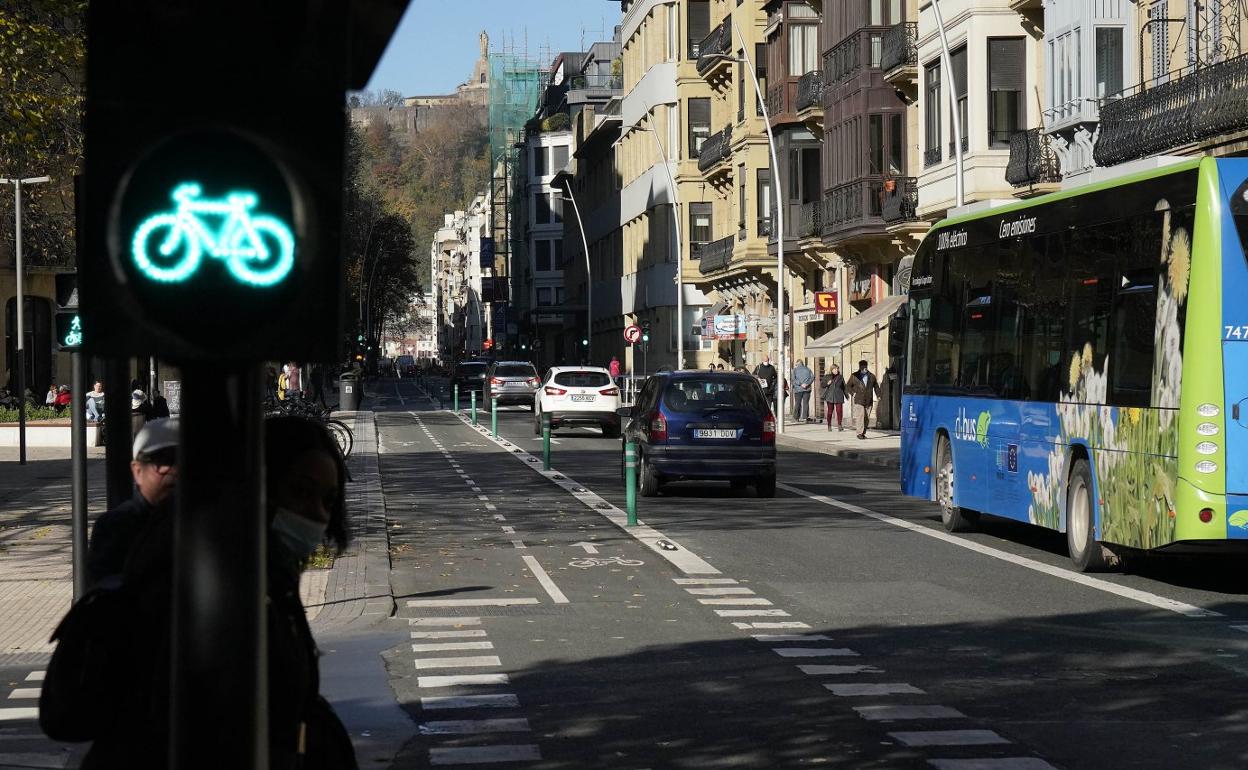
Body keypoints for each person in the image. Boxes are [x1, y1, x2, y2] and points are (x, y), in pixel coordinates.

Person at [78, 416, 356, 768]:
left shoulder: (267, 574)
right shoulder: (215, 575)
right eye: (300, 491)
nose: (315, 513)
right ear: (259, 486)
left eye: (328, 501)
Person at [86, 418, 180, 588]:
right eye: (162, 460)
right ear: (137, 471)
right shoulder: (115, 526)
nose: (173, 470)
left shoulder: (212, 522)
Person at [845, 359, 881, 439]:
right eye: (862, 367)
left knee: (867, 418)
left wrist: (878, 395)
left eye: (865, 367)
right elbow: (848, 386)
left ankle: (863, 433)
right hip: (859, 399)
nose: (864, 368)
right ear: (860, 367)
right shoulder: (854, 376)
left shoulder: (871, 376)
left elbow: (876, 387)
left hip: (868, 399)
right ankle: (859, 433)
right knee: (860, 416)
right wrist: (853, 393)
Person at [821, 365, 847, 431]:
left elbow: (844, 387)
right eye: (835, 369)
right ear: (832, 370)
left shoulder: (840, 377)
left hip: (838, 396)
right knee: (830, 412)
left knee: (839, 411)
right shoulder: (827, 376)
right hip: (830, 396)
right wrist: (827, 383)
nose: (836, 370)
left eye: (837, 369)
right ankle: (829, 425)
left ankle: (839, 425)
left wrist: (847, 395)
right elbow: (822, 385)